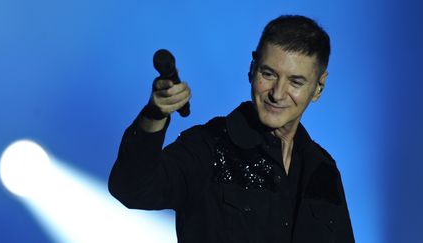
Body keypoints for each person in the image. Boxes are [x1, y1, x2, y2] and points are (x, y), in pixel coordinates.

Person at [108, 15, 355, 243]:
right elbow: (131, 189)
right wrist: (155, 113)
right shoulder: (207, 146)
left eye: (295, 81)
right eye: (268, 74)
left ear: (319, 87)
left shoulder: (323, 169)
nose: (277, 94)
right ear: (252, 68)